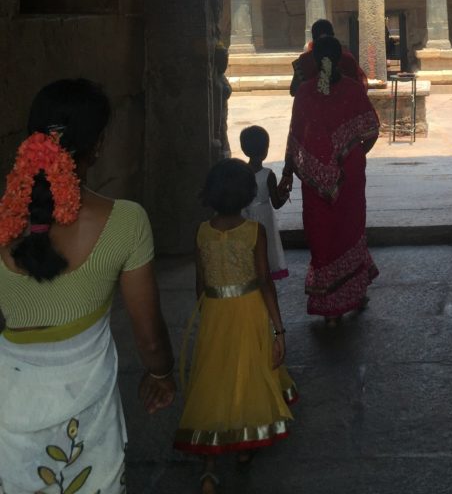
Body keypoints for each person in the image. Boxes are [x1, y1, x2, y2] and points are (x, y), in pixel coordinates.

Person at [0, 78, 175, 494]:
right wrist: (161, 373)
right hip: (86, 417)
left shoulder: (5, 219)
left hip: (9, 403)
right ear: (97, 147)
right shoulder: (126, 222)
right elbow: (149, 336)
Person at [173, 158, 296, 493]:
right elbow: (264, 281)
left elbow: (200, 285)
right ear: (246, 194)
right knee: (248, 371)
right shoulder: (254, 231)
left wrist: (211, 313)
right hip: (249, 310)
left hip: (214, 310)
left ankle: (209, 469)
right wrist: (278, 329)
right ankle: (245, 447)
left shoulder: (201, 232)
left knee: (213, 376)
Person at [283, 35, 379, 323]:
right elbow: (371, 130)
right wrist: (353, 155)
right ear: (340, 59)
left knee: (323, 236)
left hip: (316, 180)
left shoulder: (305, 93)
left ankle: (330, 308)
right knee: (350, 232)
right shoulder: (351, 89)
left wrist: (291, 171)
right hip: (350, 175)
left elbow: (296, 138)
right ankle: (355, 292)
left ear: (315, 60)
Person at [240, 125, 290, 280]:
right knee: (266, 247)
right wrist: (285, 192)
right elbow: (276, 203)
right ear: (265, 150)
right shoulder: (268, 175)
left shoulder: (241, 172)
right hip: (264, 217)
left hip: (246, 217)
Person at [289, 19, 367, 96]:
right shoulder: (348, 59)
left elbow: (294, 91)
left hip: (312, 106)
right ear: (333, 36)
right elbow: (360, 87)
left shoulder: (304, 61)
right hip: (345, 105)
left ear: (313, 38)